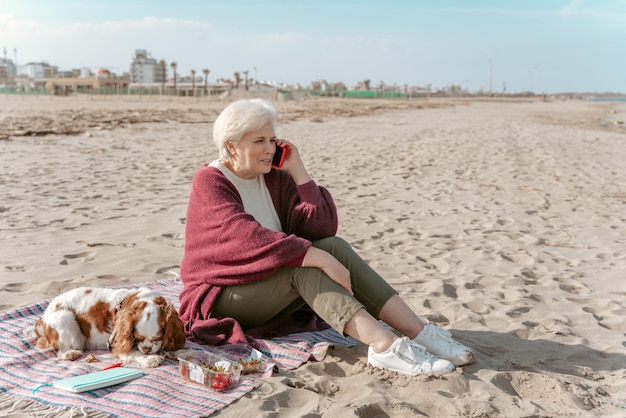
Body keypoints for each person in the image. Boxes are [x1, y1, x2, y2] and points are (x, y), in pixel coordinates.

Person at [178, 99, 476, 375]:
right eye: (259, 141)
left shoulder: (272, 177)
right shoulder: (210, 180)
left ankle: (419, 332)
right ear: (232, 146)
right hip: (223, 293)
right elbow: (242, 236)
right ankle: (384, 346)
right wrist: (317, 258)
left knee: (334, 247)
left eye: (272, 140)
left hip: (268, 284)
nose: (269, 148)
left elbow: (322, 229)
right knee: (305, 267)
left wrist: (298, 170)